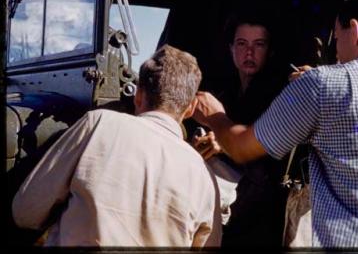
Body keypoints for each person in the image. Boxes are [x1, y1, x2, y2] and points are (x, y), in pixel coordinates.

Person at [193, 0, 358, 248]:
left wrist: (214, 116)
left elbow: (241, 147)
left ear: (355, 30)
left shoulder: (324, 85)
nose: (337, 52)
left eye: (337, 39)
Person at [12, 45, 222, 247]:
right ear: (190, 108)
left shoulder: (98, 124)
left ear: (138, 96)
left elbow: (25, 212)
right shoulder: (205, 178)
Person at [193, 11, 288, 247]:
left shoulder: (278, 97)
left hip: (257, 216)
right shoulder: (225, 93)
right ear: (231, 49)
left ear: (270, 51)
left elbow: (271, 165)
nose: (249, 53)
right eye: (242, 44)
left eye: (259, 45)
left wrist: (224, 146)